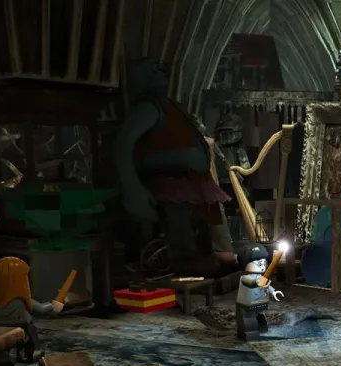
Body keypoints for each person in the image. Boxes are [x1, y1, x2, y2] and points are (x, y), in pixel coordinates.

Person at [114, 57, 236, 276]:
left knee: (203, 241)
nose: (161, 70)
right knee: (182, 243)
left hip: (193, 186)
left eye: (161, 67)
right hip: (171, 187)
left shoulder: (172, 106)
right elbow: (123, 144)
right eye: (153, 69)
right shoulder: (148, 108)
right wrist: (133, 189)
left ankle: (208, 263)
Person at [0, 257, 64, 359]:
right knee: (28, 323)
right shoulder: (20, 299)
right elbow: (42, 309)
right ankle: (34, 351)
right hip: (18, 327)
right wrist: (53, 305)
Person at [235, 244, 285, 341]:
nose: (262, 266)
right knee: (248, 323)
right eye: (258, 263)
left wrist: (274, 292)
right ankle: (248, 335)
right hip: (245, 307)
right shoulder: (245, 278)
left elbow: (265, 284)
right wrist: (260, 282)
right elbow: (251, 282)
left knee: (260, 319)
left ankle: (261, 330)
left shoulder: (261, 278)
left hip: (258, 304)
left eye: (263, 262)